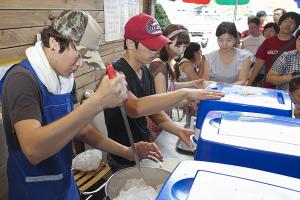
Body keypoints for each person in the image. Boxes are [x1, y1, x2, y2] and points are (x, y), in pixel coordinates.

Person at [0, 10, 163, 200]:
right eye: (79, 55)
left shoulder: (64, 78)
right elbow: (34, 149)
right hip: (33, 189)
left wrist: (127, 151)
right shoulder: (22, 80)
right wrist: (97, 101)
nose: (80, 65)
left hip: (65, 182)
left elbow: (82, 128)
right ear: (53, 42)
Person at [104, 14, 224, 172]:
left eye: (157, 45)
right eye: (150, 46)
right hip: (123, 156)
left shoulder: (145, 72)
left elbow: (155, 112)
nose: (155, 50)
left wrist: (178, 130)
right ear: (130, 44)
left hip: (143, 149)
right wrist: (184, 93)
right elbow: (135, 108)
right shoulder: (116, 74)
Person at [247, 12, 300, 88]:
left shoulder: (297, 44)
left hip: (289, 88)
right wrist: (250, 82)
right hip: (268, 85)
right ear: (280, 23)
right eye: (286, 21)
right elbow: (258, 64)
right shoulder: (268, 42)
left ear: (296, 27)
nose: (288, 25)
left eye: (293, 23)